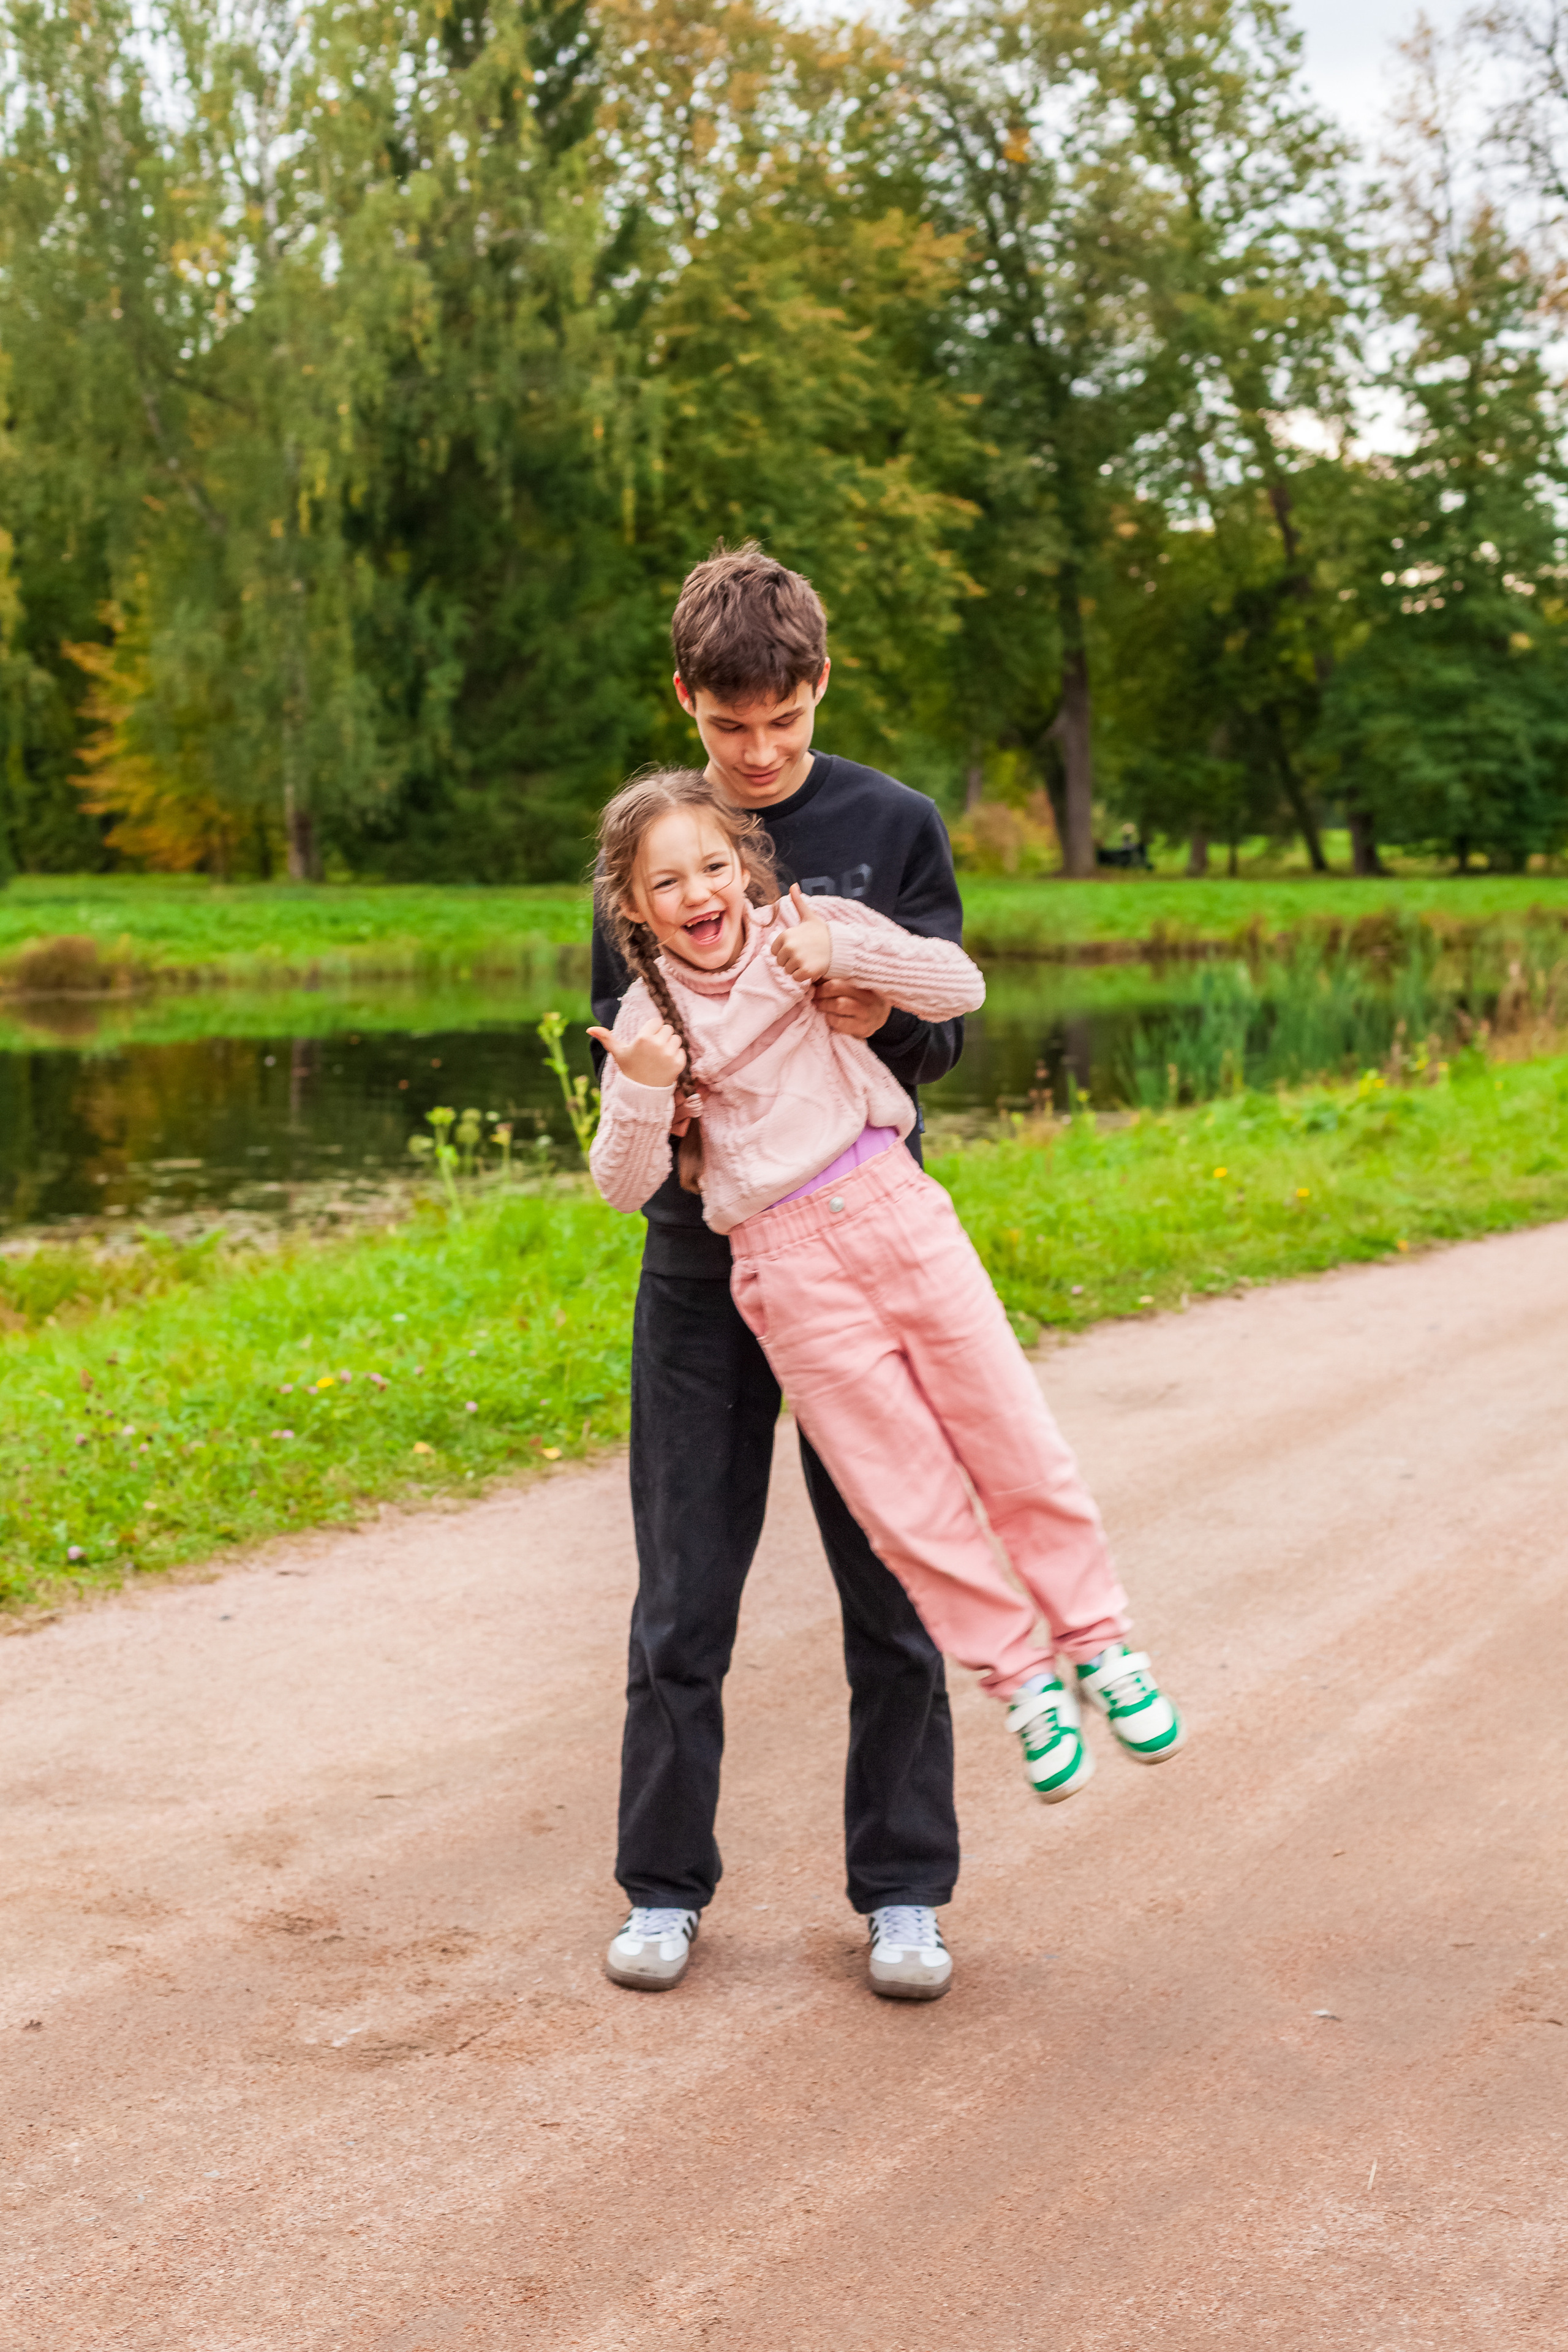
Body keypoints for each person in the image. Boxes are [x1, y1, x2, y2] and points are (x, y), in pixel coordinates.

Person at [589, 766, 1187, 2002]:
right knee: (711, 1585)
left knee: (1003, 1455)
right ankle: (664, 1888)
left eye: (713, 867)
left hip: (891, 1205)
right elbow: (620, 1177)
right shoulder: (645, 1004)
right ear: (633, 904)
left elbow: (955, 993)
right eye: (667, 881)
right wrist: (648, 1091)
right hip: (750, 1268)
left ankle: (1059, 1688)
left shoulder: (853, 868)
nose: (697, 890)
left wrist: (851, 976)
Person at [589, 545, 968, 2002]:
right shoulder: (651, 846)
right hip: (702, 1269)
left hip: (865, 1256)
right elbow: (617, 1046)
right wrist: (654, 1092)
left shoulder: (893, 823)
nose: (755, 757)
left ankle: (905, 1895)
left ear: (818, 684)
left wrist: (878, 1010)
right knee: (683, 1594)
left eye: (783, 726)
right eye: (726, 727)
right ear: (687, 699)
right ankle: (662, 1891)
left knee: (888, 1585)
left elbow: (944, 1033)